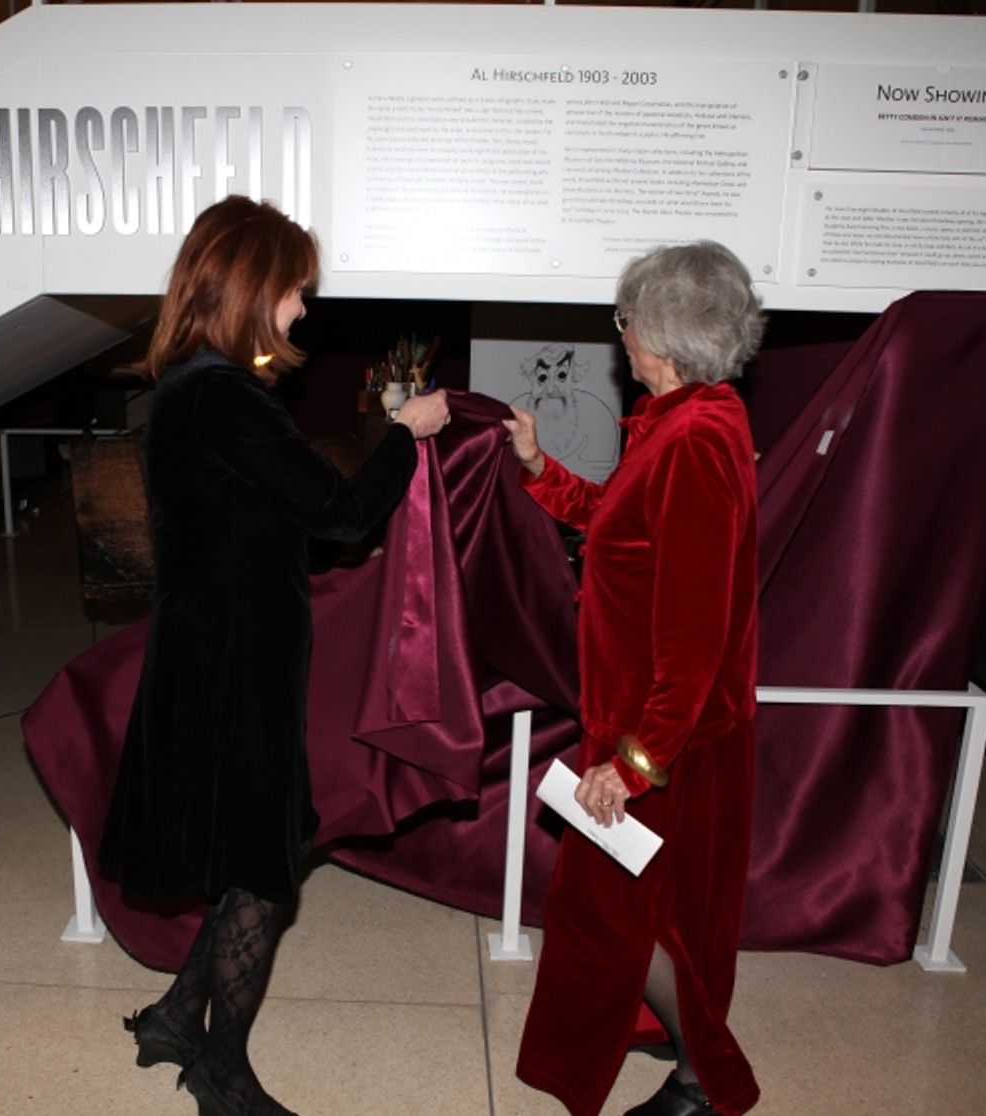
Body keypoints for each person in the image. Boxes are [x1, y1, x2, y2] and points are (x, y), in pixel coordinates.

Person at [97, 195, 449, 1116]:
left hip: (219, 651)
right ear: (257, 288)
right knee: (264, 864)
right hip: (230, 664)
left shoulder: (194, 385)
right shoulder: (224, 395)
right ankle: (220, 1066)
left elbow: (270, 519)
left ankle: (178, 1015)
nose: (303, 309)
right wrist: (404, 437)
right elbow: (337, 515)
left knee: (260, 840)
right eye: (297, 291)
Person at [506, 241, 763, 1116]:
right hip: (642, 725)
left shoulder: (694, 440)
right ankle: (696, 1075)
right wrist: (542, 470)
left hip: (656, 737)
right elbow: (623, 527)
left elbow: (695, 630)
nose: (618, 339)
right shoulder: (684, 423)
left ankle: (705, 1082)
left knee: (617, 917)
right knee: (644, 917)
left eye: (623, 321)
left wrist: (639, 762)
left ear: (656, 332)